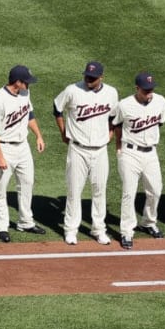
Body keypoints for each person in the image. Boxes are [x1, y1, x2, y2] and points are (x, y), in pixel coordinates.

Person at [54, 61, 118, 246]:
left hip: (100, 150)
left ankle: (98, 230)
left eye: (93, 77)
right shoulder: (72, 90)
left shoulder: (111, 93)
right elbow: (57, 108)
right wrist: (63, 131)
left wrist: (111, 133)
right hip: (77, 149)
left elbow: (114, 116)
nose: (88, 80)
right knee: (74, 191)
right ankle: (71, 230)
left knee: (99, 191)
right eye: (87, 76)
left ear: (101, 77)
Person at [0, 65, 46, 243]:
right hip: (3, 148)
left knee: (27, 183)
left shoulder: (25, 93)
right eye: (27, 82)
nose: (29, 85)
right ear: (17, 82)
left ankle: (25, 222)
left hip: (23, 147)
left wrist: (39, 136)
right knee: (0, 189)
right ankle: (1, 227)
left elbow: (29, 115)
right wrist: (0, 156)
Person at [112, 72, 165, 250]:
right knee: (129, 192)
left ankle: (148, 222)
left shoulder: (160, 101)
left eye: (151, 90)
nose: (149, 93)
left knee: (156, 190)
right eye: (145, 91)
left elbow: (159, 123)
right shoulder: (124, 105)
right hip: (130, 154)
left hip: (151, 153)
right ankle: (127, 231)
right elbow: (116, 124)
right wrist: (118, 146)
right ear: (137, 88)